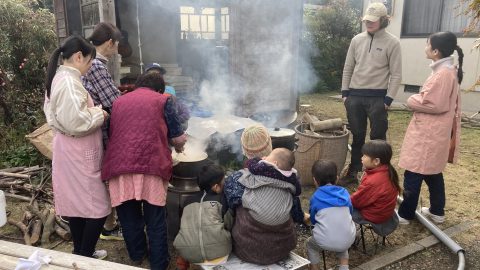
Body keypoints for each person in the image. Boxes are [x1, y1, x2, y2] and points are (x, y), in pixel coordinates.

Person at [101, 72, 187, 269]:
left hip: (119, 165)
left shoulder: (118, 102)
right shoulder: (163, 100)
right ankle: (158, 263)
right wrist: (180, 147)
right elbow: (178, 138)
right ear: (158, 90)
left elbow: (114, 132)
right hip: (150, 165)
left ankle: (137, 255)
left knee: (128, 216)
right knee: (155, 218)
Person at [44, 35, 110, 259]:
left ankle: (80, 252)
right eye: (90, 62)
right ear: (79, 56)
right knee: (98, 207)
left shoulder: (58, 79)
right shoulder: (70, 82)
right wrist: (100, 113)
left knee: (77, 206)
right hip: (78, 152)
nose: (90, 67)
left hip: (69, 150)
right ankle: (84, 253)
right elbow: (77, 122)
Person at [397, 32, 463, 225]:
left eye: (427, 45)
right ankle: (437, 211)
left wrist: (411, 99)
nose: (425, 48)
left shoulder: (443, 74)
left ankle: (405, 215)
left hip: (428, 133)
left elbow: (434, 104)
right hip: (435, 131)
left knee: (414, 171)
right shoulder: (447, 70)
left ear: (435, 51)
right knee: (432, 172)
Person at [340, 2, 402, 184]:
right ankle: (353, 172)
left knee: (378, 139)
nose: (369, 23)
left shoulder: (393, 42)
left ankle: (379, 177)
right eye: (367, 20)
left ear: (384, 20)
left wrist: (388, 99)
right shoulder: (356, 40)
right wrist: (345, 93)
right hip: (354, 96)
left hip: (378, 98)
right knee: (358, 136)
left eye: (373, 21)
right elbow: (348, 67)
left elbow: (396, 74)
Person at [81, 22, 123, 241]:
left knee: (101, 177)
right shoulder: (97, 65)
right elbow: (114, 102)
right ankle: (108, 223)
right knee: (106, 177)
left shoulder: (92, 63)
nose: (118, 47)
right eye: (116, 43)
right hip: (100, 130)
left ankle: (108, 222)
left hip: (93, 128)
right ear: (110, 42)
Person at [224, 146, 297, 265]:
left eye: (268, 156)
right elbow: (296, 214)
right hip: (281, 251)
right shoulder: (291, 184)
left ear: (274, 163)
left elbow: (231, 202)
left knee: (239, 203)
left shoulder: (240, 177)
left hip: (246, 251)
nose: (264, 158)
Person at [173, 164, 232, 270]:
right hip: (219, 254)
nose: (225, 182)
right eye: (223, 180)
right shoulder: (222, 200)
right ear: (216, 187)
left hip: (188, 253)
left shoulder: (187, 201)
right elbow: (229, 225)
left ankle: (182, 265)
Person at [306, 160, 355, 270]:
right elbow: (350, 213)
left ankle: (315, 268)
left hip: (323, 240)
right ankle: (344, 267)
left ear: (315, 180)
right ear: (337, 178)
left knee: (310, 245)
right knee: (343, 244)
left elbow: (313, 219)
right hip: (348, 239)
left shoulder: (316, 197)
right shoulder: (345, 193)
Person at [350, 140, 400, 225]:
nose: (361, 158)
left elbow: (356, 202)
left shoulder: (373, 181)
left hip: (374, 215)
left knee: (344, 207)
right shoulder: (387, 170)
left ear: (376, 161)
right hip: (385, 212)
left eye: (365, 156)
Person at [145, 62, 190, 131]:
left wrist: (177, 118)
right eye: (152, 74)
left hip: (170, 122)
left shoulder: (169, 89)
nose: (156, 77)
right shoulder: (144, 91)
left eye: (159, 74)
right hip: (155, 126)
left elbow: (184, 109)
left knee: (183, 124)